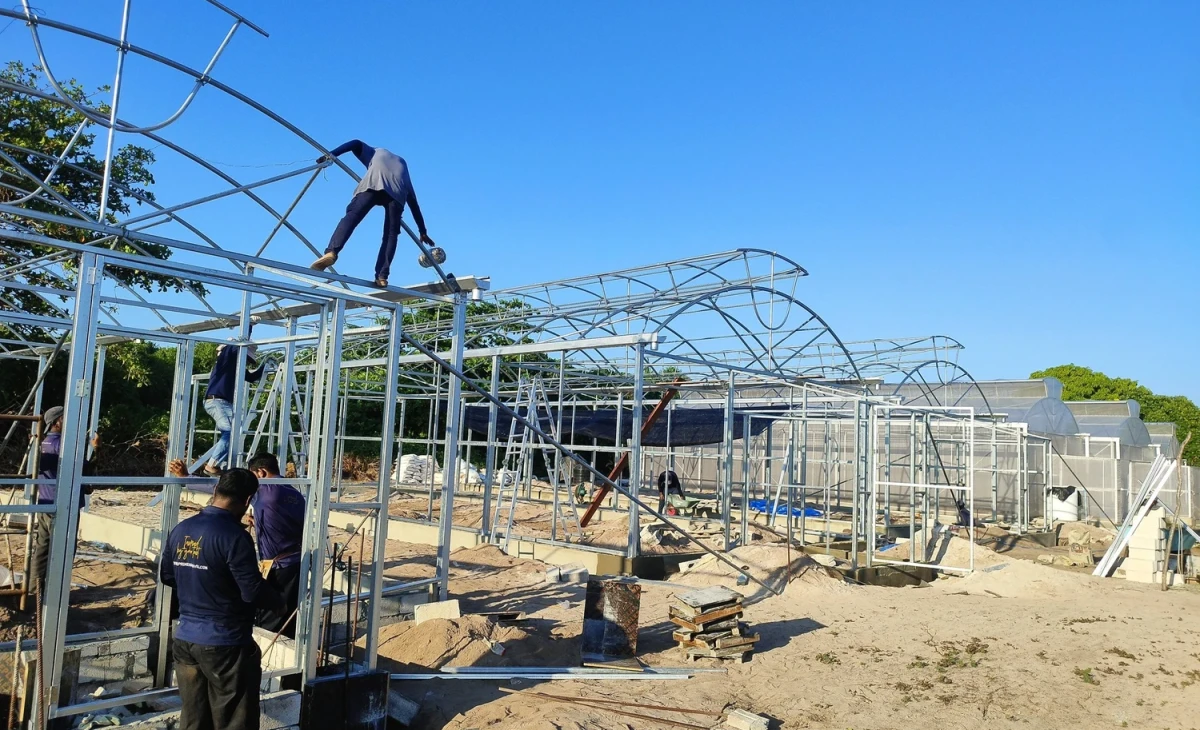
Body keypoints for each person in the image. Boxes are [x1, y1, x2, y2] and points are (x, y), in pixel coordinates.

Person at [161, 468, 282, 730]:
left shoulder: (182, 529)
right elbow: (251, 591)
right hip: (225, 644)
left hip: (186, 640)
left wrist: (202, 585)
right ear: (248, 500)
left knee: (194, 718)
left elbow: (167, 576)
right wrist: (278, 602)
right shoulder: (235, 537)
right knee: (234, 720)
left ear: (216, 490)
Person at [169, 452, 305, 637]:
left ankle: (270, 650)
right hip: (295, 562)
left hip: (277, 565)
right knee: (289, 615)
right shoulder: (294, 493)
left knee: (271, 619)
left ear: (261, 472)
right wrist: (261, 521)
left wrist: (186, 477)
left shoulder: (264, 489)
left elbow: (227, 490)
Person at [309, 140, 435, 287]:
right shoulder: (403, 165)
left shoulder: (374, 152)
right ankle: (382, 276)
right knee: (391, 235)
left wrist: (331, 155)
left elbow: (355, 143)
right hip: (398, 193)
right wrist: (422, 231)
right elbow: (414, 203)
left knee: (353, 216)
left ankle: (332, 252)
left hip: (374, 182)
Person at [31, 405, 100, 592]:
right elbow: (84, 469)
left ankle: (34, 592)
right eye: (65, 418)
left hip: (45, 504)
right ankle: (55, 594)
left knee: (42, 551)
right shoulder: (64, 445)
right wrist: (96, 449)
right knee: (64, 551)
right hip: (64, 507)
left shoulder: (45, 442)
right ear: (56, 422)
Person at [203, 344, 268, 477]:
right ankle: (211, 465)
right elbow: (236, 345)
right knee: (230, 432)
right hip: (216, 401)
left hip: (224, 403)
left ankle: (220, 464)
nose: (246, 362)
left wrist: (265, 366)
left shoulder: (237, 367)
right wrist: (248, 331)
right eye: (246, 358)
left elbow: (251, 378)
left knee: (235, 433)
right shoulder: (225, 360)